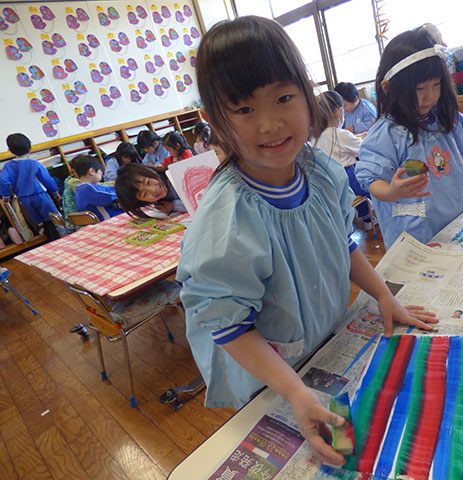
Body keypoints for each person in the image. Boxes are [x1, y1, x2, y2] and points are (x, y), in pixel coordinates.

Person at [176, 16, 438, 466]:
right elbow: (229, 327)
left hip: (325, 341)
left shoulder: (318, 170)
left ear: (307, 92)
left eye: (283, 98)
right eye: (244, 110)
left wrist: (382, 294)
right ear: (214, 120)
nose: (270, 124)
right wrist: (295, 392)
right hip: (271, 373)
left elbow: (342, 242)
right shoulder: (227, 222)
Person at [356, 26, 463, 250]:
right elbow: (372, 180)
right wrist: (393, 192)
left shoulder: (446, 118)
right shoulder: (386, 134)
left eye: (436, 84)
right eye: (419, 88)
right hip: (416, 239)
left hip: (458, 226)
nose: (430, 96)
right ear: (389, 88)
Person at [315, 90, 374, 230]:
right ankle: (372, 218)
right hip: (347, 178)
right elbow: (364, 150)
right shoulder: (341, 135)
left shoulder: (315, 136)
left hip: (327, 183)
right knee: (370, 185)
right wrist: (366, 138)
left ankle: (362, 218)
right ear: (339, 112)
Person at [0, 133, 61, 240]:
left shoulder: (8, 166)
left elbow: (3, 180)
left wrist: (6, 196)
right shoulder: (34, 164)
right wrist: (55, 192)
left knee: (41, 223)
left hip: (24, 199)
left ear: (10, 150)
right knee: (52, 219)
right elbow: (47, 179)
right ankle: (57, 238)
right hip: (39, 195)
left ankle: (49, 238)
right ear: (30, 149)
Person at [115, 163, 186, 217]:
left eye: (148, 182)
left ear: (152, 172)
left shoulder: (177, 177)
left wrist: (173, 205)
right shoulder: (162, 201)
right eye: (144, 194)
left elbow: (192, 204)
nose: (153, 190)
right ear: (142, 201)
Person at [74, 155, 123, 222]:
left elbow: (106, 189)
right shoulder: (87, 188)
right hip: (107, 219)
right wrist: (123, 189)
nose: (102, 175)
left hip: (108, 216)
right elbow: (108, 196)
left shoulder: (82, 187)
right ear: (92, 171)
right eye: (101, 173)